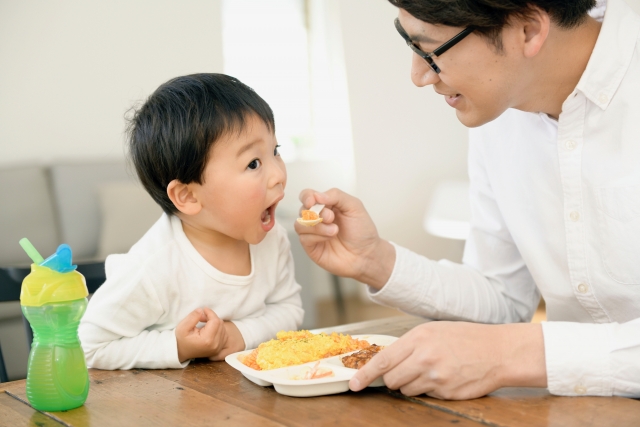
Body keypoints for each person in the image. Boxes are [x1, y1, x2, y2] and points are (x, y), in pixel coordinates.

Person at [295, 0, 640, 399]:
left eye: (430, 49)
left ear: (528, 30)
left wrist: (515, 354)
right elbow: (503, 297)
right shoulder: (503, 107)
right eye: (408, 43)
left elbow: (508, 346)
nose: (419, 75)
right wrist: (375, 260)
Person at [79, 73, 303, 370]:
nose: (278, 174)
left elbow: (290, 310)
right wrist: (177, 346)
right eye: (253, 163)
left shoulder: (272, 239)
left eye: (275, 152)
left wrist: (239, 334)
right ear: (187, 196)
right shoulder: (152, 268)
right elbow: (89, 346)